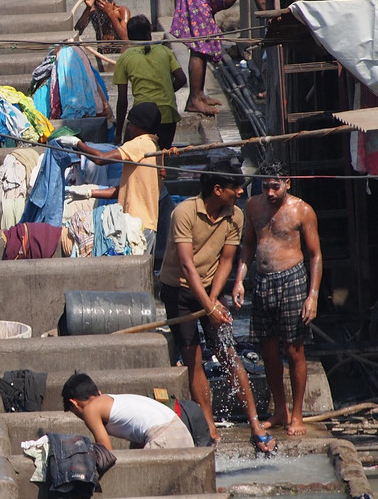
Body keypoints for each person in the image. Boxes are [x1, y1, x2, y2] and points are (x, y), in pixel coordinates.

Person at [158, 160, 276, 453]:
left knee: (228, 352)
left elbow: (226, 260)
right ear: (217, 189)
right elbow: (186, 265)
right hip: (179, 291)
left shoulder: (235, 215)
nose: (239, 192)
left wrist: (213, 302)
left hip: (211, 291)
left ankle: (254, 422)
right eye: (235, 187)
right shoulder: (184, 212)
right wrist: (206, 307)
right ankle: (208, 423)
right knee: (193, 358)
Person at [232, 163, 323, 436]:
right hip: (261, 279)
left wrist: (313, 296)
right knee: (268, 350)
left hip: (292, 278)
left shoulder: (302, 210)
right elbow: (248, 243)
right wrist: (239, 280)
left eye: (275, 186)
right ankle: (280, 409)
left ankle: (297, 414)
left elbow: (315, 254)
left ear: (287, 183)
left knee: (294, 350)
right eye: (265, 187)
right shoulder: (252, 205)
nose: (270, 193)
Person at [56, 102, 163, 253]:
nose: (129, 128)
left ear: (141, 126)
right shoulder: (154, 148)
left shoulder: (141, 144)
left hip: (136, 226)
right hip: (146, 226)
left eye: (131, 124)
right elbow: (125, 190)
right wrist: (88, 193)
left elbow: (101, 159)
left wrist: (78, 143)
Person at [170, 0, 264, 116]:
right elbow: (262, 4)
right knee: (199, 49)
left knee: (203, 47)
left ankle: (200, 95)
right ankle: (194, 100)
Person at [104, 12, 186, 151]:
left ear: (129, 36)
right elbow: (181, 79)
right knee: (162, 158)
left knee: (132, 156)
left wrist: (118, 133)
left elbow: (122, 100)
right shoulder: (164, 51)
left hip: (142, 116)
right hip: (168, 113)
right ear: (149, 34)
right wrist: (165, 91)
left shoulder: (124, 59)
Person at [62, 373, 195, 450]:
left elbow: (106, 450)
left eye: (74, 412)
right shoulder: (112, 401)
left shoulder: (90, 410)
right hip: (181, 430)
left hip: (162, 436)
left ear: (74, 403)